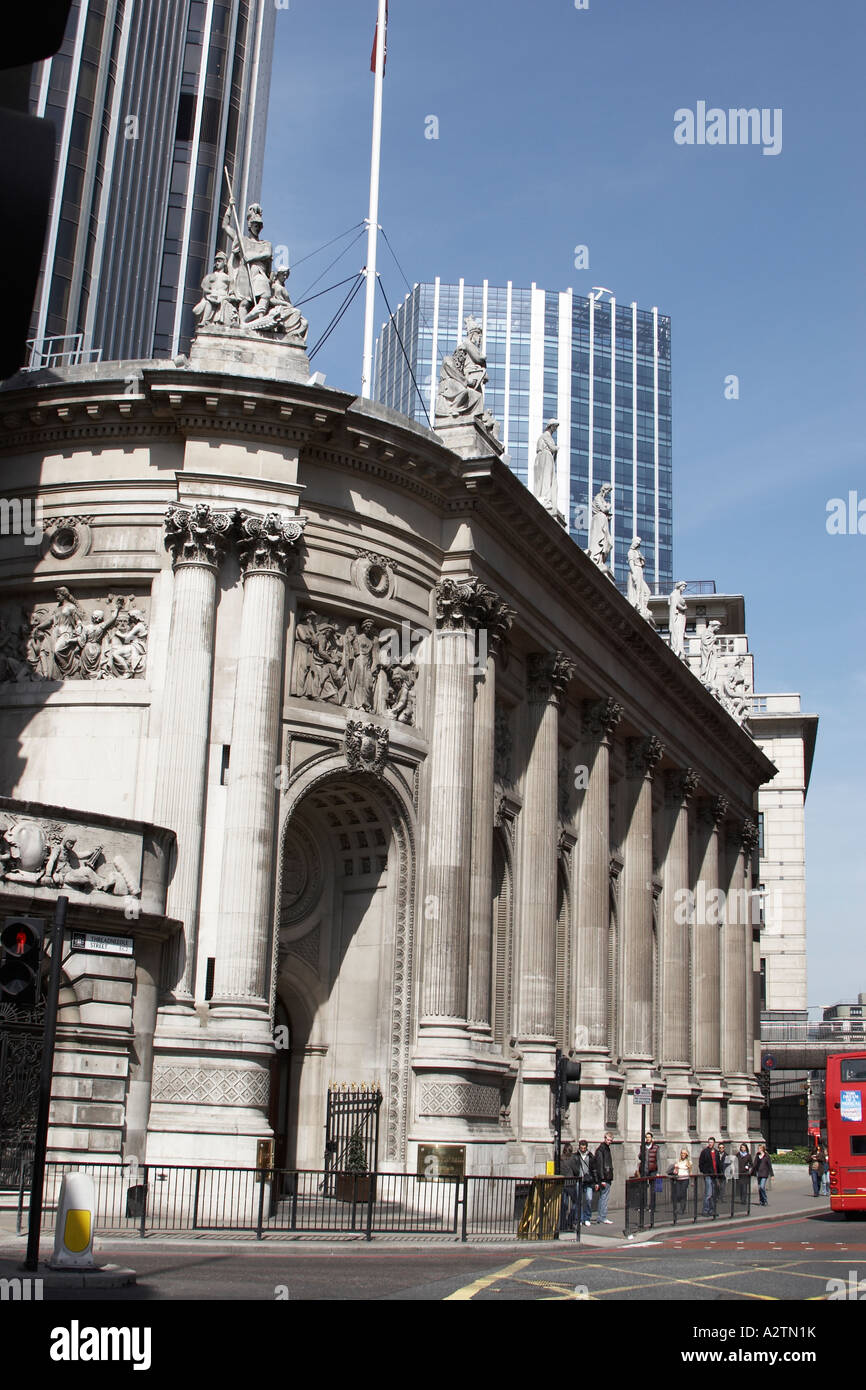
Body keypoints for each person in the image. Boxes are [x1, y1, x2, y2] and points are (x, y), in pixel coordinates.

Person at [573, 1138, 598, 1227]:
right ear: (579, 1147)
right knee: (578, 1200)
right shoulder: (575, 1156)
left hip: (588, 1181)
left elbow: (594, 1169)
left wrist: (596, 1182)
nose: (583, 1149)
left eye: (584, 1148)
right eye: (581, 1148)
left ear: (586, 1148)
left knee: (589, 1199)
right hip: (579, 1179)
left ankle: (587, 1218)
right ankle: (579, 1218)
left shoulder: (590, 1156)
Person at [594, 1132, 615, 1224]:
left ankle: (601, 1216)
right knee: (604, 1197)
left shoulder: (606, 1149)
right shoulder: (601, 1150)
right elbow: (599, 1165)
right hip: (605, 1177)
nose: (609, 1141)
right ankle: (602, 1217)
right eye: (608, 1139)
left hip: (607, 1176)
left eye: (611, 1140)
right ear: (604, 1138)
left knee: (603, 1197)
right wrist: (602, 1179)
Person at [698, 1136, 720, 1215]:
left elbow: (718, 1164)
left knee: (714, 1194)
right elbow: (701, 1163)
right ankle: (705, 1210)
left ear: (714, 1143)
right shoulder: (705, 1152)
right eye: (709, 1142)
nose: (710, 1144)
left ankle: (712, 1210)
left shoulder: (716, 1152)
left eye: (711, 1142)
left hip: (715, 1175)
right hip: (708, 1174)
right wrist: (704, 1171)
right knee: (708, 1193)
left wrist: (719, 1174)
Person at [559, 1143, 578, 1232]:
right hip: (570, 1183)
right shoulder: (572, 1158)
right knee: (575, 1203)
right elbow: (576, 1170)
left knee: (564, 1205)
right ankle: (570, 1221)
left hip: (563, 1183)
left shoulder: (560, 1158)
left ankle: (563, 1224)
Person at [671, 1148, 692, 1217]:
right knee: (678, 1194)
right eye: (682, 1153)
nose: (683, 1154)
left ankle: (682, 1209)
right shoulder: (678, 1161)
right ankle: (677, 1208)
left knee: (683, 1193)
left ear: (686, 1155)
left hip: (685, 1179)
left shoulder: (688, 1162)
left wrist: (691, 1180)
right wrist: (676, 1168)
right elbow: (675, 1172)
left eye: (684, 1153)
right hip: (678, 1179)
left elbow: (690, 1172)